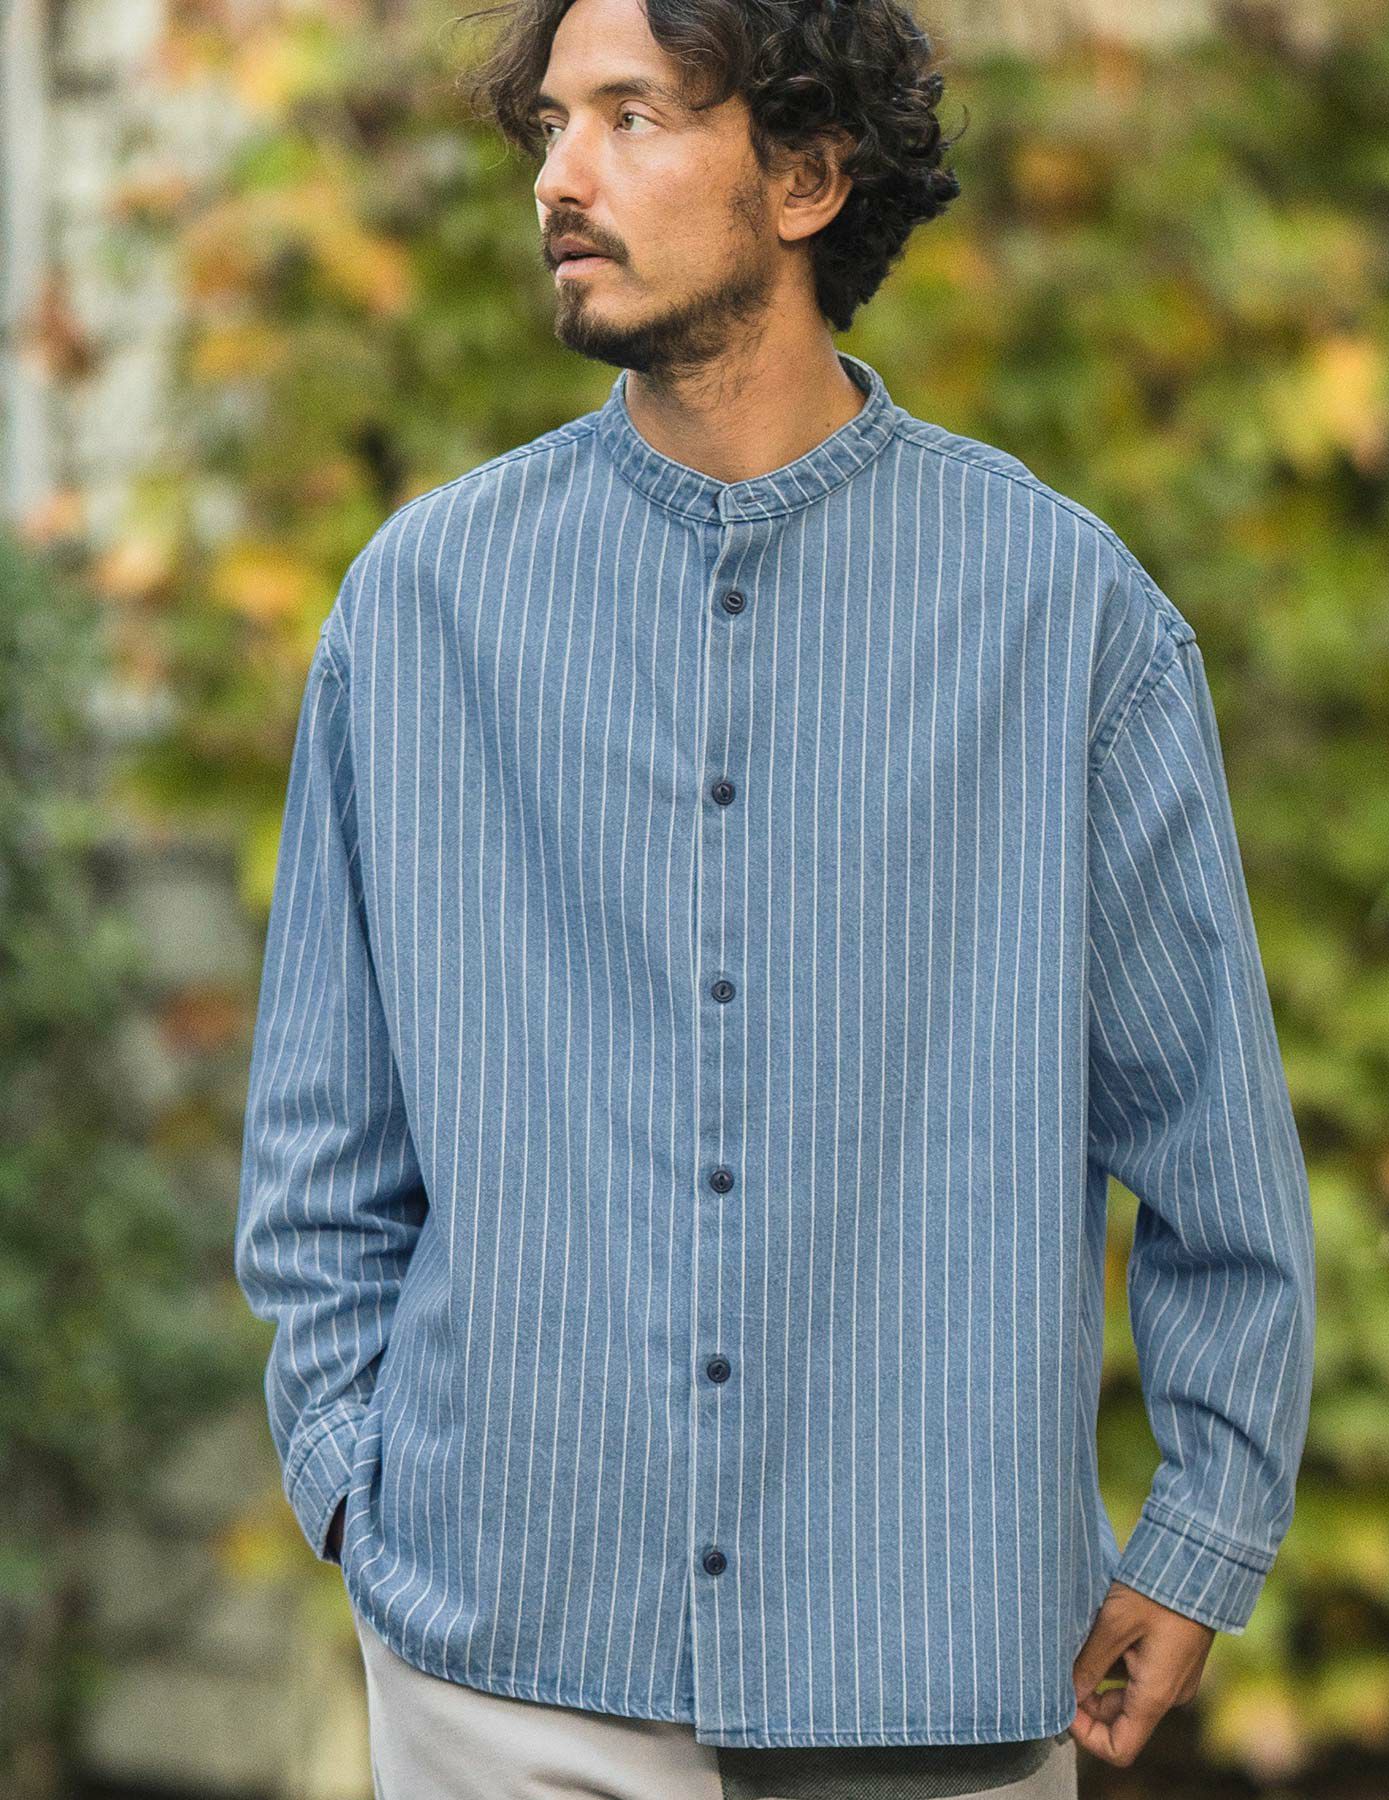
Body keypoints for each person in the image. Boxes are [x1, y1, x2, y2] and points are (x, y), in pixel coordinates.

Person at [234, 0, 1317, 1794]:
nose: (562, 178)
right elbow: (318, 1153)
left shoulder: (1064, 617)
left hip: (932, 1668)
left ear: (807, 176)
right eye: (552, 126)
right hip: (502, 1663)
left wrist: (1204, 1531)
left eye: (634, 116)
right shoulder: (420, 607)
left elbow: (1212, 1144)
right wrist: (356, 1481)